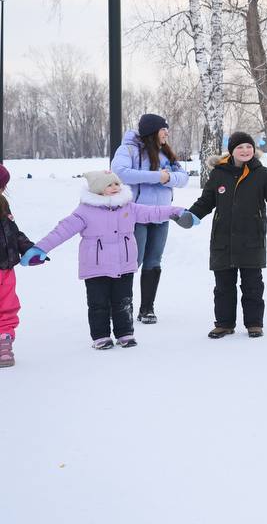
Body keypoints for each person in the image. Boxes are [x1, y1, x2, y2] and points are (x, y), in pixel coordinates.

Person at [24, 171, 187, 349]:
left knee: (123, 301)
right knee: (98, 304)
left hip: (123, 265)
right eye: (109, 185)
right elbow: (62, 231)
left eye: (117, 184)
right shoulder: (84, 211)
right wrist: (40, 248)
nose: (115, 187)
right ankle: (101, 336)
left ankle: (125, 333)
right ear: (97, 190)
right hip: (95, 266)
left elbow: (153, 212)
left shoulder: (128, 207)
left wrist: (176, 212)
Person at [181, 132, 267, 339]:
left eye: (248, 147)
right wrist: (191, 216)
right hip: (223, 239)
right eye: (240, 147)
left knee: (252, 284)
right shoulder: (218, 174)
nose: (245, 151)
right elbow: (206, 201)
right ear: (232, 151)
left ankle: (254, 323)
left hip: (252, 237)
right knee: (223, 285)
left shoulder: (262, 174)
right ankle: (224, 324)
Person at [110, 113, 189, 324]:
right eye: (164, 129)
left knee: (154, 261)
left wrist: (168, 178)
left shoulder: (165, 152)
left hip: (162, 214)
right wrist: (158, 177)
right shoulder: (128, 149)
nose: (167, 133)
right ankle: (121, 306)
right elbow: (120, 173)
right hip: (136, 215)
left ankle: (147, 309)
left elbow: (183, 178)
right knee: (132, 261)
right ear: (153, 131)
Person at [0, 164, 35, 367]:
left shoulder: (3, 205)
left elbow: (12, 231)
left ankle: (4, 342)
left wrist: (27, 247)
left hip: (4, 267)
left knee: (7, 305)